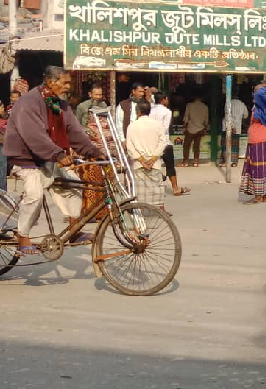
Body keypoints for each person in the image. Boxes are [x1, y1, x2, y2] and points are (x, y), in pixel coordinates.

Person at [5, 66, 103, 256]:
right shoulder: (29, 102)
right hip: (25, 158)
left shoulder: (60, 104)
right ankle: (22, 237)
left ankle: (74, 230)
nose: (68, 87)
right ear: (51, 82)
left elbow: (74, 131)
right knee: (34, 195)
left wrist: (93, 151)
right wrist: (58, 154)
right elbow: (34, 136)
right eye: (64, 83)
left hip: (46, 157)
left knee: (74, 183)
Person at [126, 99, 168, 212]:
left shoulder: (132, 126)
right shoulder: (157, 125)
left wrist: (142, 160)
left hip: (139, 163)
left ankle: (140, 211)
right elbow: (162, 142)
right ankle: (160, 209)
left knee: (140, 189)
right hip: (154, 163)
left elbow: (129, 146)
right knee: (157, 187)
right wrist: (153, 158)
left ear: (138, 112)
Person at [238, 87, 266, 203]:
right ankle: (264, 195)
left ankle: (259, 196)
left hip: (258, 140)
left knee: (258, 168)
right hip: (255, 139)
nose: (254, 94)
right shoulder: (259, 107)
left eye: (256, 92)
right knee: (258, 168)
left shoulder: (262, 107)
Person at [151, 92, 189, 197]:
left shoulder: (151, 111)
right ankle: (175, 188)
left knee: (154, 165)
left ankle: (155, 188)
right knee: (170, 165)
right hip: (164, 142)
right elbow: (165, 127)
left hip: (152, 142)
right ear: (164, 99)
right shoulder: (167, 111)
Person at [220, 92, 248, 167]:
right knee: (235, 146)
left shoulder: (228, 103)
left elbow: (227, 114)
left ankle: (226, 161)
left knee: (226, 145)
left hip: (227, 127)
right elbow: (246, 115)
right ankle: (234, 162)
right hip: (237, 128)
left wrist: (232, 126)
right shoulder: (242, 104)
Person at [182, 94, 209, 168]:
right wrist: (206, 128)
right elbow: (206, 120)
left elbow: (186, 117)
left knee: (186, 146)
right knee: (196, 146)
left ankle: (185, 161)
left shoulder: (189, 105)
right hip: (200, 129)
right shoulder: (205, 107)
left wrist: (184, 126)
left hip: (191, 128)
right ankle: (196, 162)